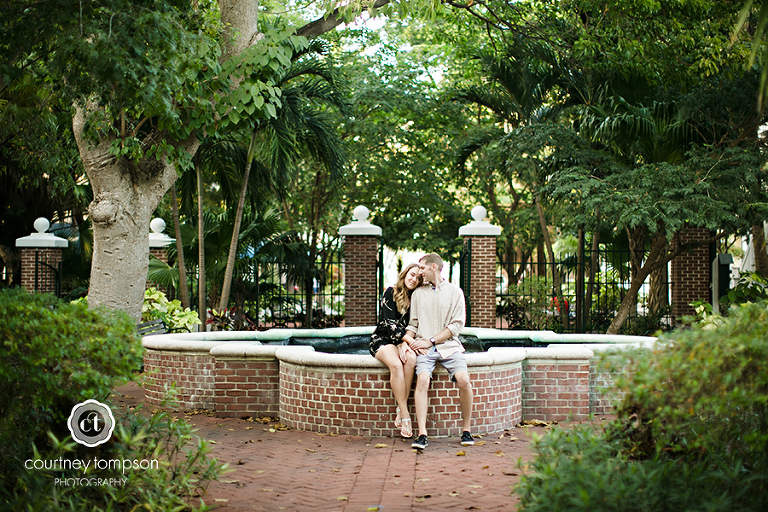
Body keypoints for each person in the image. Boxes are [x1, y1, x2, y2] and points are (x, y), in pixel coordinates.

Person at [405, 253, 474, 450]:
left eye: (422, 268)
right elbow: (413, 324)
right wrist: (406, 341)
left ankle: (467, 430)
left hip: (449, 347)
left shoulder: (455, 292)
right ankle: (422, 434)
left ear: (433, 267)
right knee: (423, 380)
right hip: (424, 348)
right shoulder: (418, 294)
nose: (419, 272)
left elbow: (456, 326)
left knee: (464, 380)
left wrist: (431, 340)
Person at [369, 263, 422, 438]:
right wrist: (408, 340)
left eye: (418, 278)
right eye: (412, 275)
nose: (414, 279)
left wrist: (405, 343)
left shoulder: (416, 298)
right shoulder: (390, 292)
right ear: (405, 274)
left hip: (402, 341)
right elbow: (390, 324)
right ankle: (405, 415)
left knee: (411, 360)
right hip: (383, 339)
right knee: (396, 365)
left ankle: (401, 407)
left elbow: (414, 325)